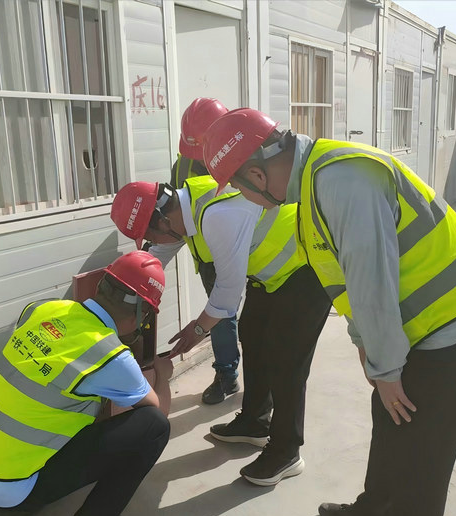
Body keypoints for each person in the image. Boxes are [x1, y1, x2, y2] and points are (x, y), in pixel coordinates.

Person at [202, 107, 456, 516]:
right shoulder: (313, 185)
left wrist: (387, 368)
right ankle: (376, 514)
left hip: (455, 319)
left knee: (422, 453)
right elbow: (343, 278)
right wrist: (370, 349)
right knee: (389, 417)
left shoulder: (341, 180)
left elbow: (372, 282)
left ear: (257, 175)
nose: (246, 199)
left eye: (240, 188)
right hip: (418, 321)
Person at [110, 164, 331, 486]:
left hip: (307, 270)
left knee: (287, 361)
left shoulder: (218, 216)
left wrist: (198, 329)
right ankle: (255, 421)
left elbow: (227, 292)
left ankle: (287, 451)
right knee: (252, 337)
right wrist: (116, 300)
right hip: (269, 277)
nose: (152, 241)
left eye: (150, 234)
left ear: (162, 219)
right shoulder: (182, 211)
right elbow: (153, 259)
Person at [0, 251, 174, 516]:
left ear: (101, 286)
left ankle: (15, 504)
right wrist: (163, 377)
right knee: (154, 427)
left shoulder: (42, 309)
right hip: (13, 486)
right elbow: (154, 413)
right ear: (141, 313)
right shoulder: (110, 355)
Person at [151, 97, 241, 406]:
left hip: (256, 252)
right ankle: (226, 375)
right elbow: (175, 220)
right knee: (222, 315)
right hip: (209, 257)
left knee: (260, 321)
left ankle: (264, 384)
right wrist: (149, 264)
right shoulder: (182, 166)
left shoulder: (241, 159)